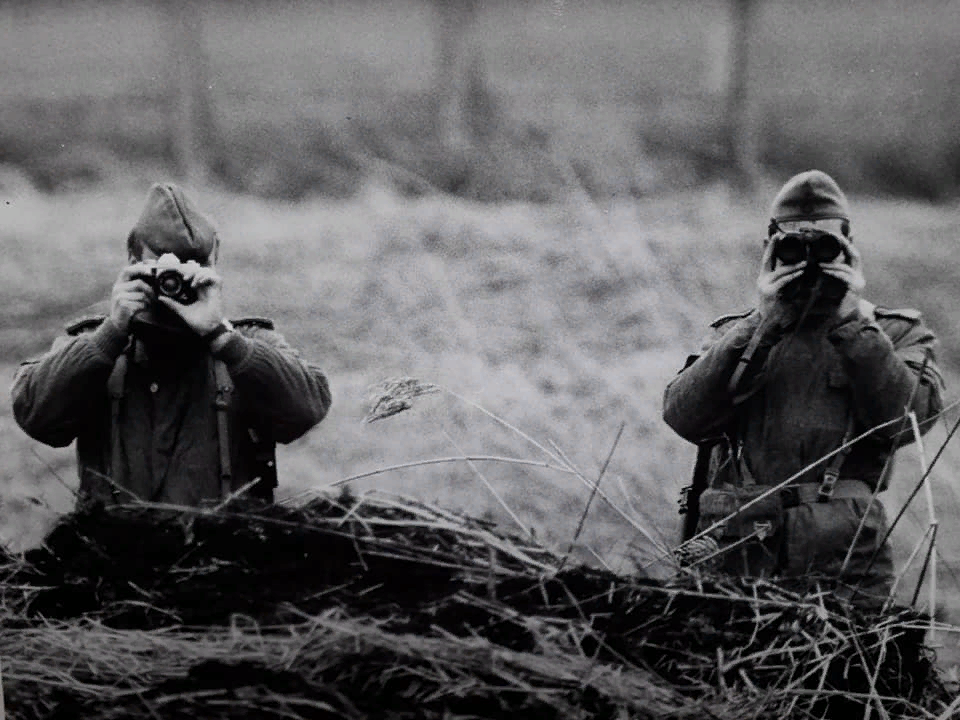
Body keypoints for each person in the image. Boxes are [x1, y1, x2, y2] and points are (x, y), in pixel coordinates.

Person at [663, 170, 944, 605]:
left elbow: (907, 422)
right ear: (769, 252)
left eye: (827, 246)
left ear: (852, 250)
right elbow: (684, 417)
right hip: (737, 554)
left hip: (843, 558)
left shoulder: (894, 333)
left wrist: (855, 324)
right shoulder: (737, 333)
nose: (810, 259)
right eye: (793, 246)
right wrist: (762, 321)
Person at [12, 182, 332, 507]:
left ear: (214, 262)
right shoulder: (96, 345)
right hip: (115, 551)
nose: (173, 284)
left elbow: (306, 410)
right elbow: (36, 416)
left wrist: (223, 339)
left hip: (225, 552)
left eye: (190, 268)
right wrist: (111, 334)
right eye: (162, 269)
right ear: (132, 259)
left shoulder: (246, 344)